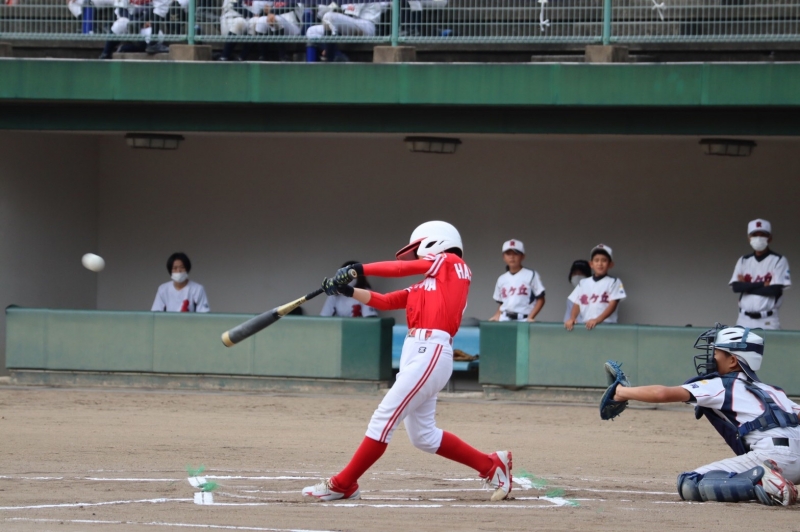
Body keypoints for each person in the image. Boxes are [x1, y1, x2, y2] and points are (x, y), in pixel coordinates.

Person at [302, 221, 512, 502]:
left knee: (383, 418)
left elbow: (400, 268)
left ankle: (343, 483)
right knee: (423, 436)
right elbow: (385, 301)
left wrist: (357, 270)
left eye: (419, 250)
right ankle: (491, 465)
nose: (417, 257)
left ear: (436, 241)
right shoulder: (428, 285)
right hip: (417, 353)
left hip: (431, 350)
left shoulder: (450, 263)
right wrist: (347, 290)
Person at [610, 325, 799, 506]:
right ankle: (770, 480)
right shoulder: (773, 391)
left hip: (774, 458)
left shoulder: (721, 384)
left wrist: (621, 392)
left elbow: (661, 394)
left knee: (690, 482)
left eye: (716, 352)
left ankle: (765, 483)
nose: (712, 357)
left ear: (733, 361)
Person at [730, 218, 791, 330]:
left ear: (770, 238)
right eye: (754, 235)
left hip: (768, 320)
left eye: (763, 235)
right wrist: (762, 284)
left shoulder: (779, 260)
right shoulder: (743, 260)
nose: (758, 238)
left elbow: (774, 290)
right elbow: (736, 287)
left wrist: (746, 286)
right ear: (749, 238)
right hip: (743, 319)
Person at [565, 244, 625, 331]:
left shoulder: (614, 281)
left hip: (607, 325)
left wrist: (597, 320)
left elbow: (613, 305)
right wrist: (572, 318)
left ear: (610, 264)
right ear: (591, 264)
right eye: (596, 260)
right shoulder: (583, 282)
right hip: (587, 325)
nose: (600, 263)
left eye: (604, 260)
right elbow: (577, 303)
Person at [305, 1, 384, 62]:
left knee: (328, 16)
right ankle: (337, 55)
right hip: (351, 23)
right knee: (311, 31)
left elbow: (350, 12)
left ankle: (330, 56)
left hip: (366, 25)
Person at [488, 239, 545, 322]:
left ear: (522, 256)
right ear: (503, 257)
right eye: (508, 254)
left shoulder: (531, 274)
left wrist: (531, 317)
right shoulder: (501, 279)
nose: (512, 257)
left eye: (515, 253)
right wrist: (497, 315)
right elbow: (502, 302)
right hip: (504, 318)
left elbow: (541, 299)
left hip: (523, 318)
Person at [564, 259, 591, 324]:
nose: (577, 276)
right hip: (574, 328)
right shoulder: (571, 297)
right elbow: (567, 319)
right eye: (575, 273)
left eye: (581, 273)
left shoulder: (594, 293)